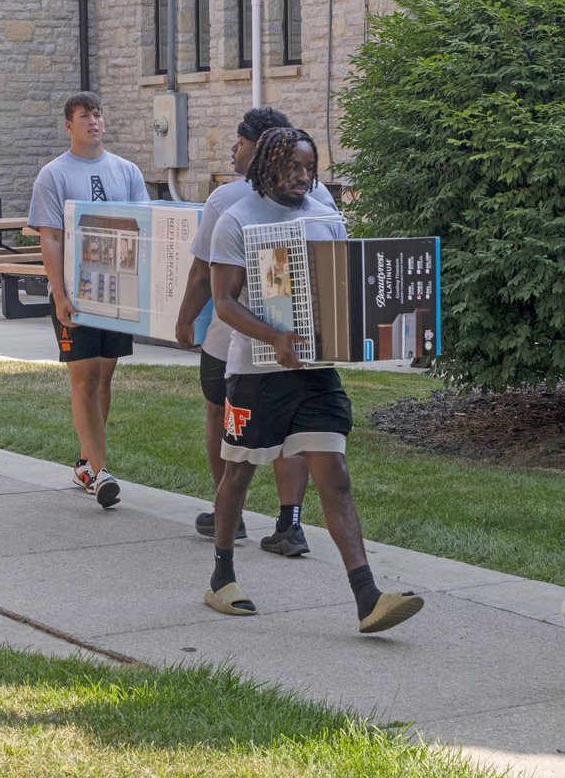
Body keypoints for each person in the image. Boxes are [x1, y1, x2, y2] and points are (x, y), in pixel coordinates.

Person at [204, 125, 424, 634]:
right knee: (238, 474)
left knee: (336, 475)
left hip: (316, 372)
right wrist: (275, 336)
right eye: (294, 168)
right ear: (268, 166)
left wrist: (391, 331)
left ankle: (367, 596)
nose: (305, 177)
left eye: (310, 167)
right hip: (255, 375)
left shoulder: (326, 218)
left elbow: (344, 290)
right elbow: (224, 302)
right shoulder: (237, 220)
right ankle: (222, 576)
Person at [175, 106, 339, 556]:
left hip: (241, 348)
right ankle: (289, 522)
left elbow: (201, 274)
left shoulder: (227, 202)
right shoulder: (320, 202)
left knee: (226, 428)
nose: (235, 147)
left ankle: (231, 518)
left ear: (264, 149)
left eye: (242, 141)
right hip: (300, 343)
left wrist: (186, 318)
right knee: (295, 436)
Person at [28, 91, 149, 508]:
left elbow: (142, 229)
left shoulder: (127, 171)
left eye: (97, 114)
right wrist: (59, 294)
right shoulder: (53, 175)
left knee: (103, 379)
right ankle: (100, 473)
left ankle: (86, 461)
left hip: (117, 294)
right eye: (84, 116)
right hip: (75, 297)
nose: (93, 122)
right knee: (83, 380)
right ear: (68, 125)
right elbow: (51, 237)